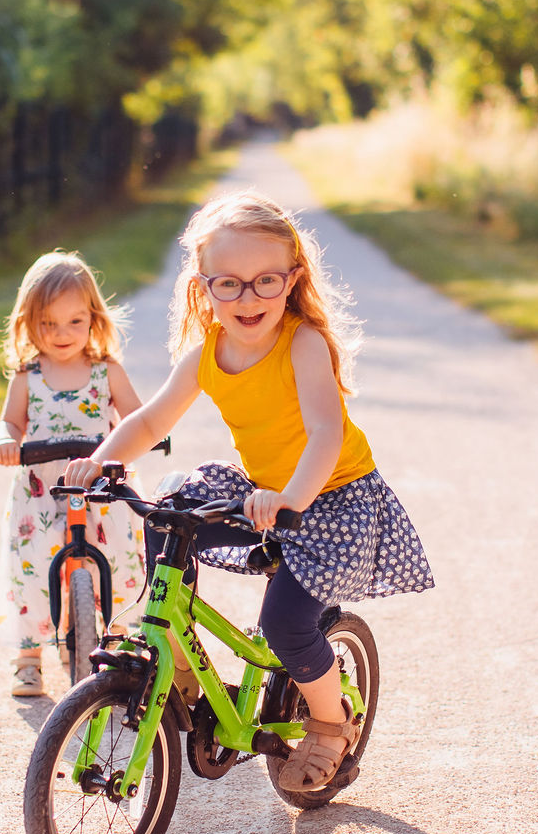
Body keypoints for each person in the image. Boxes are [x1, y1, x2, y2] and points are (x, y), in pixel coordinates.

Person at [64, 191, 433, 792]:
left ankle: (329, 722)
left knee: (285, 625)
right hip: (268, 494)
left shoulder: (302, 343)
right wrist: (100, 462)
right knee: (169, 505)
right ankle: (170, 645)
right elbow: (153, 422)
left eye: (264, 281)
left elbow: (324, 435)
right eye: (228, 284)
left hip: (333, 498)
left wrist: (291, 496)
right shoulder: (207, 353)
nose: (248, 298)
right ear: (202, 288)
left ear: (292, 280)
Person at [0, 252, 147, 697]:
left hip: (99, 488)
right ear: (28, 321)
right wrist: (5, 440)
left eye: (75, 322)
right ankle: (28, 658)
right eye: (49, 324)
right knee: (33, 566)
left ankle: (119, 645)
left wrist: (150, 435)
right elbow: (10, 423)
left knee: (115, 560)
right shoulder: (28, 376)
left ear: (94, 319)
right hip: (42, 491)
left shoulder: (106, 372)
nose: (62, 335)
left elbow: (139, 416)